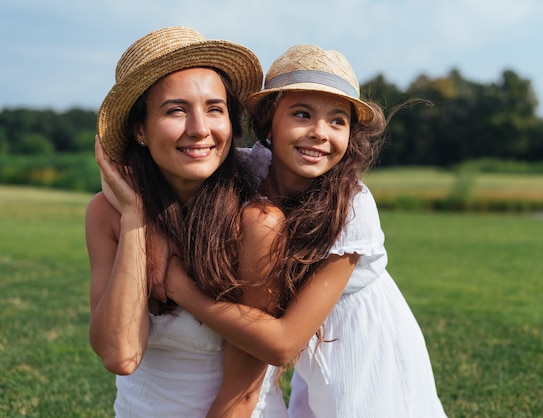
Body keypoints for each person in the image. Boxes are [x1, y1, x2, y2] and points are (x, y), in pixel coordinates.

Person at [164, 44, 447, 417]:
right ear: (269, 120)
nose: (319, 133)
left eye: (337, 121)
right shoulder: (250, 170)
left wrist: (178, 287)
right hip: (315, 349)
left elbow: (282, 344)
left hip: (367, 350)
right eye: (302, 114)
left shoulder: (351, 205)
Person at [86, 26, 288, 417]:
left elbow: (243, 396)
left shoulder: (257, 224)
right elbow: (120, 355)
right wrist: (135, 220)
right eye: (176, 110)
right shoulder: (106, 214)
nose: (200, 129)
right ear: (140, 130)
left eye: (215, 109)